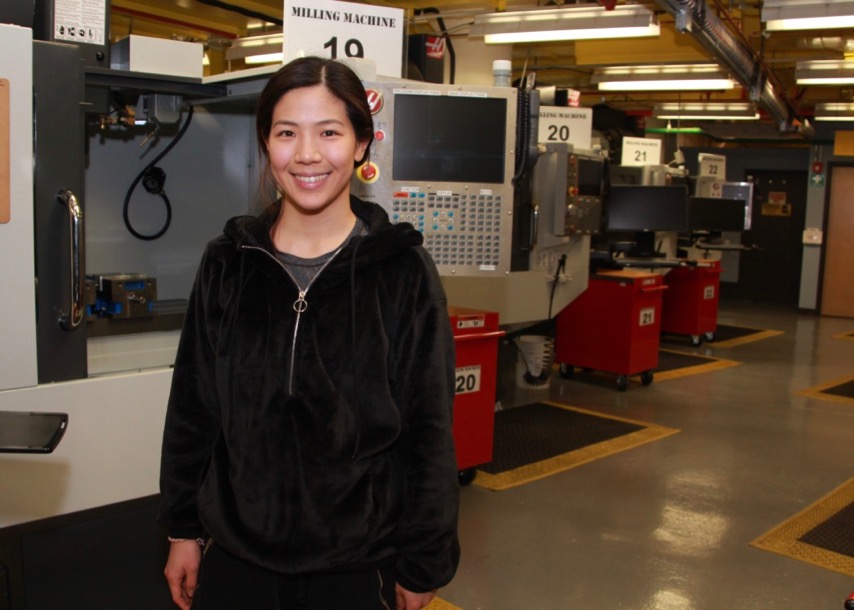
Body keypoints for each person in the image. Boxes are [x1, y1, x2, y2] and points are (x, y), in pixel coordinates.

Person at [157, 56, 460, 610]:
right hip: (237, 560)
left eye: (329, 132)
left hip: (358, 567)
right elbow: (194, 409)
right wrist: (183, 528)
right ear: (266, 145)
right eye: (286, 133)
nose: (307, 154)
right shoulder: (229, 262)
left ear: (362, 144)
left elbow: (429, 429)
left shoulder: (401, 270)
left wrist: (424, 561)